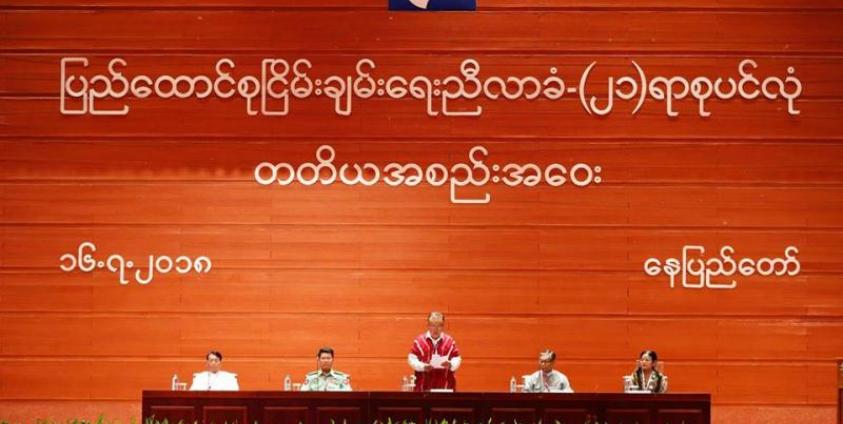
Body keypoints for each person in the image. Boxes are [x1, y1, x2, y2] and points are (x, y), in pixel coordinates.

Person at [407, 311, 462, 391]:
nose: (435, 329)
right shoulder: (419, 341)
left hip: (445, 387)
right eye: (433, 325)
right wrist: (423, 367)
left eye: (439, 326)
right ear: (428, 325)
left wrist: (451, 364)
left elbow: (457, 358)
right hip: (423, 388)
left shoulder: (449, 341)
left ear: (443, 326)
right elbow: (411, 360)